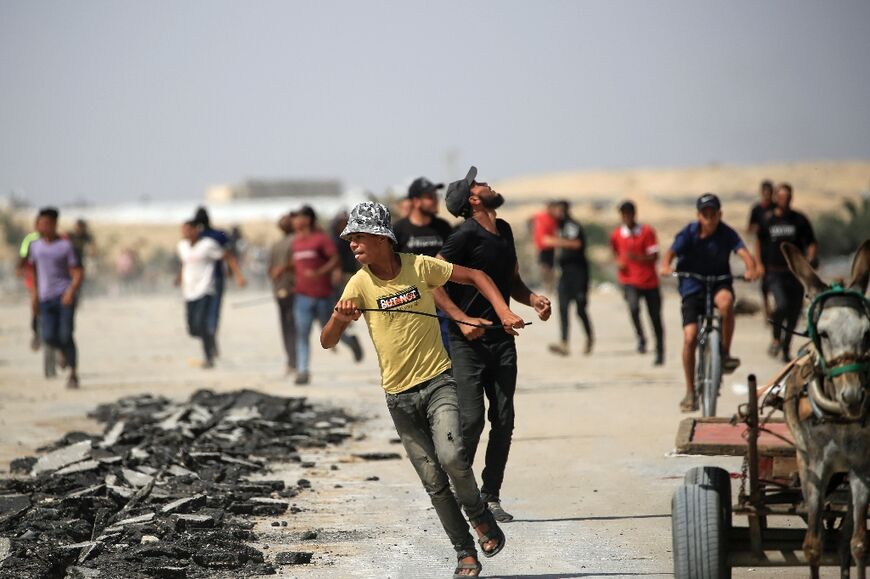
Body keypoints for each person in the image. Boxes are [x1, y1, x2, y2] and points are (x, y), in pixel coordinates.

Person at [322, 201, 520, 578]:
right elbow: (327, 342)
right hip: (398, 397)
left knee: (452, 456)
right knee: (433, 481)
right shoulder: (358, 284)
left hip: (437, 382)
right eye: (349, 238)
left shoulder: (419, 266)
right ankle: (465, 552)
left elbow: (476, 275)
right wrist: (339, 317)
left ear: (382, 237)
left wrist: (505, 313)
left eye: (359, 236)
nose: (352, 244)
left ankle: (479, 515)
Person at [436, 166, 552, 522]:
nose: (486, 183)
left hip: (502, 339)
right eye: (478, 183)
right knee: (471, 421)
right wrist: (460, 318)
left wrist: (532, 299)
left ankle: (490, 495)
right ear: (472, 199)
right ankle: (461, 491)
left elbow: (511, 281)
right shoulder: (463, 237)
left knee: (504, 418)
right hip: (467, 342)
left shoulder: (504, 230)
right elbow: (432, 280)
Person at [660, 193, 757, 412]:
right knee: (690, 336)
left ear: (720, 214)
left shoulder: (726, 232)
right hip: (692, 284)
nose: (710, 217)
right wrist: (666, 266)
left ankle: (724, 352)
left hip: (718, 282)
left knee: (726, 303)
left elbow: (743, 252)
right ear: (698, 215)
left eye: (713, 213)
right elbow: (670, 253)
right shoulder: (689, 233)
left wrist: (751, 268)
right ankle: (690, 391)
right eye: (705, 213)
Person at [291, 205, 362, 385]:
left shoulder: (321, 239)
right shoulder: (296, 242)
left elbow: (335, 259)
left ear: (308, 219)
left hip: (322, 295)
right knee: (302, 333)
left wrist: (320, 272)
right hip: (302, 296)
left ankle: (350, 342)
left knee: (331, 329)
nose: (296, 220)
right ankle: (303, 371)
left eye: (299, 217)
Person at [755, 183, 817, 362]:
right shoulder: (768, 220)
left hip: (796, 273)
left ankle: (786, 347)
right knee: (781, 305)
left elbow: (811, 242)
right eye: (782, 197)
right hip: (774, 272)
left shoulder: (799, 220)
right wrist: (759, 264)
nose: (785, 200)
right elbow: (759, 242)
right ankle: (775, 338)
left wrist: (811, 258)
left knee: (794, 312)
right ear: (776, 198)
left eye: (788, 197)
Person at [393, 176, 455, 351]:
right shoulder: (399, 230)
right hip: (411, 303)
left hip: (443, 301)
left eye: (436, 196)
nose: (435, 200)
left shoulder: (443, 227)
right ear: (416, 201)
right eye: (430, 197)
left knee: (446, 350)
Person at [28, 207, 84, 389]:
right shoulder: (35, 247)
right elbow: (33, 272)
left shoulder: (65, 246)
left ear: (54, 224)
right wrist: (34, 295)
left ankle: (73, 374)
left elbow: (77, 272)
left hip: (64, 297)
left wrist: (70, 292)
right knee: (49, 336)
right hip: (45, 298)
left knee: (66, 334)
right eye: (40, 223)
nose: (42, 227)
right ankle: (62, 352)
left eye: (46, 224)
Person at [609, 201, 664, 365]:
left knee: (655, 317)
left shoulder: (647, 232)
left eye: (628, 213)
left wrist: (638, 258)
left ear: (634, 214)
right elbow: (614, 251)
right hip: (629, 280)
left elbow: (655, 255)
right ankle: (641, 337)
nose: (626, 217)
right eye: (623, 214)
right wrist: (618, 261)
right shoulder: (617, 234)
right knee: (633, 308)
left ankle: (660, 350)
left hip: (649, 280)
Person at [191, 207, 246, 357]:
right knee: (212, 313)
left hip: (208, 279)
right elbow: (230, 254)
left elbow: (227, 255)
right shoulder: (217, 235)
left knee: (206, 314)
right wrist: (235, 273)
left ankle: (210, 344)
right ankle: (211, 341)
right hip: (213, 279)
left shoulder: (201, 236)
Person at [546, 200, 594, 356]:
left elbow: (577, 244)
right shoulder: (557, 227)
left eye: (559, 210)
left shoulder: (571, 225)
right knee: (563, 309)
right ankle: (564, 343)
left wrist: (555, 241)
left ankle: (589, 337)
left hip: (578, 274)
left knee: (580, 309)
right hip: (564, 275)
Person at [176, 220, 225, 368]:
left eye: (187, 230)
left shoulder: (208, 244)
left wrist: (237, 274)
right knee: (192, 329)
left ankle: (208, 358)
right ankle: (210, 339)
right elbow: (184, 263)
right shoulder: (182, 246)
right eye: (183, 230)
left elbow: (225, 256)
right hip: (189, 291)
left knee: (201, 323)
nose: (184, 233)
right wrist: (179, 277)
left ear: (196, 230)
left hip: (205, 289)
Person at [269, 213, 297, 375]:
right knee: (289, 326)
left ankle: (293, 361)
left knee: (290, 326)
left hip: (290, 289)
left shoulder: (293, 242)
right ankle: (292, 360)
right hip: (284, 289)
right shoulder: (281, 243)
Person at [747, 180, 775, 319]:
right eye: (765, 193)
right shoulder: (757, 209)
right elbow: (749, 229)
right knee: (764, 282)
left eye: (769, 193)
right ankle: (766, 307)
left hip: (776, 250)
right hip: (762, 249)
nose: (767, 196)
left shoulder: (776, 209)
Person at [17, 226, 42, 351]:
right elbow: (23, 256)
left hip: (52, 277)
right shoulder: (30, 239)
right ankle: (36, 333)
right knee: (35, 302)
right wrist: (19, 268)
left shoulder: (58, 239)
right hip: (33, 276)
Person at [530, 202, 559, 293]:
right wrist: (532, 231)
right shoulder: (541, 216)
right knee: (544, 267)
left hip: (551, 245)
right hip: (542, 246)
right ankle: (547, 285)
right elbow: (530, 220)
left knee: (551, 267)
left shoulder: (554, 219)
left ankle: (551, 286)